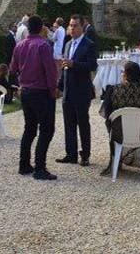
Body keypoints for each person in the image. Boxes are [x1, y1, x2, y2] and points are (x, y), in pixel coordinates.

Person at [9, 15, 59, 181]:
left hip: (26, 91)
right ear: (42, 28)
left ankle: (24, 164)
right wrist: (54, 90)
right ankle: (40, 167)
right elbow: (50, 71)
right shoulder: (43, 45)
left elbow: (13, 69)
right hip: (41, 92)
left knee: (29, 128)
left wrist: (19, 85)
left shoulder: (20, 45)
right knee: (46, 129)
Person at [98, 61, 140, 176]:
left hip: (120, 134)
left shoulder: (113, 90)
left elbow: (107, 115)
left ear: (125, 75)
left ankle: (117, 161)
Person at [57, 15, 98, 167]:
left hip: (81, 91)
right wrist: (59, 86)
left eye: (75, 26)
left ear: (82, 27)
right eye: (70, 25)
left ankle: (85, 155)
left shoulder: (89, 44)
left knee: (83, 124)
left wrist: (74, 64)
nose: (72, 28)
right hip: (68, 90)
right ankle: (71, 154)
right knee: (69, 124)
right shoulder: (67, 44)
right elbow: (65, 68)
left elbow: (92, 66)